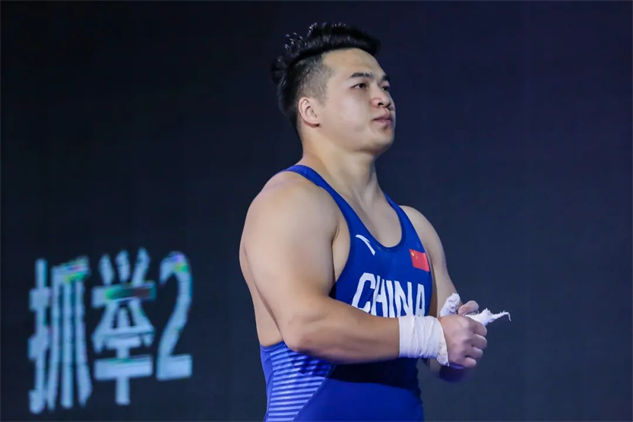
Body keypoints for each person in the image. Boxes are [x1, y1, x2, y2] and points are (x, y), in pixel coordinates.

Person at [239, 22, 488, 421]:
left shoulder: (416, 228)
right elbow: (305, 325)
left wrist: (461, 339)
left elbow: (445, 363)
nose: (382, 98)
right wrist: (430, 334)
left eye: (385, 87)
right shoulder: (288, 201)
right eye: (360, 86)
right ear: (310, 110)